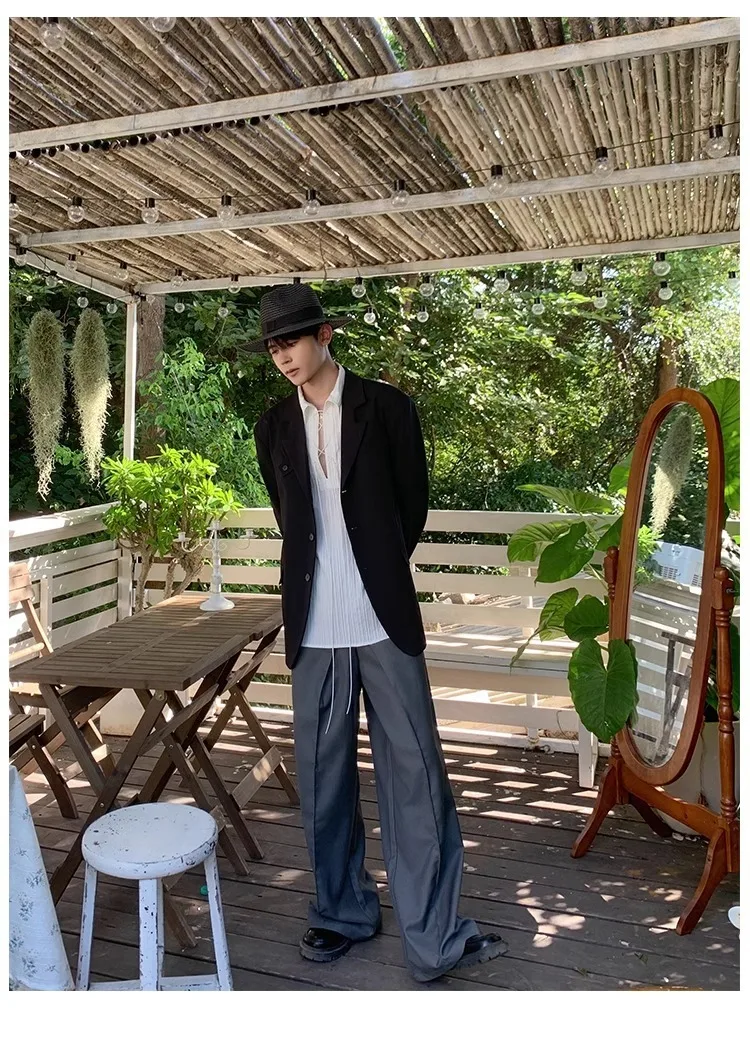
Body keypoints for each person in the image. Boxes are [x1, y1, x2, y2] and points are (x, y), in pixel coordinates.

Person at [243, 283, 507, 983]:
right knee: (323, 782)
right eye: (272, 347)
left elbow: (410, 507)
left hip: (381, 618)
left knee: (417, 776)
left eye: (291, 341)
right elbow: (290, 518)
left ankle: (435, 935)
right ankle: (342, 913)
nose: (282, 356)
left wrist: (375, 570)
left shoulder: (388, 408)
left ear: (325, 335)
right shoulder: (273, 426)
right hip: (314, 626)